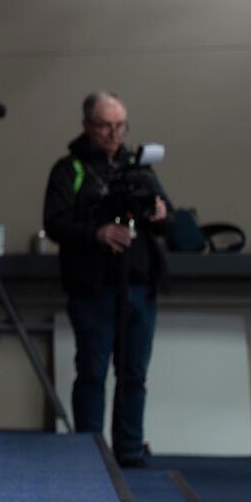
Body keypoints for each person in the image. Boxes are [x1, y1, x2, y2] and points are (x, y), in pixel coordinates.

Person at [43, 91, 172, 468]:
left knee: (134, 374)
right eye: (105, 126)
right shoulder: (69, 170)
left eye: (120, 126)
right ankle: (89, 451)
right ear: (87, 126)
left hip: (138, 287)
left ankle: (129, 449)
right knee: (92, 373)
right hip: (93, 290)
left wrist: (161, 215)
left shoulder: (142, 169)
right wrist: (97, 232)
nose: (114, 134)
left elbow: (172, 224)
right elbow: (54, 223)